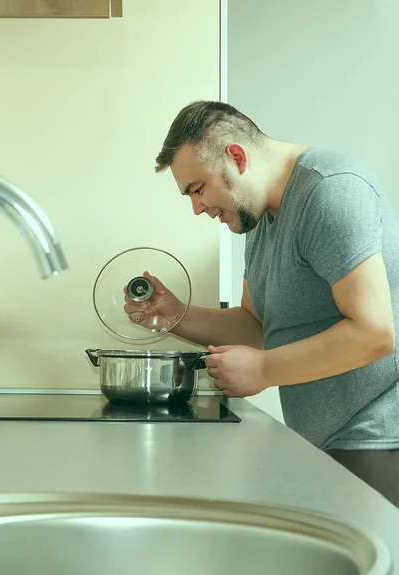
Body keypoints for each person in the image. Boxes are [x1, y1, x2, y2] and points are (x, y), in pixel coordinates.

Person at [124, 100, 399, 506]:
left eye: (197, 189)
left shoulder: (331, 191)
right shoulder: (259, 218)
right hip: (321, 440)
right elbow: (257, 327)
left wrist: (265, 370)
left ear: (236, 157)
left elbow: (374, 333)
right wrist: (176, 316)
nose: (197, 208)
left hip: (376, 441)